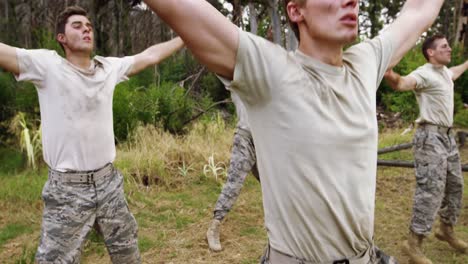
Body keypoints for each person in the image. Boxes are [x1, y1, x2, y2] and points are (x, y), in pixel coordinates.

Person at [142, 0, 444, 262]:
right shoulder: (270, 69)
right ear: (296, 11)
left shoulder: (365, 63)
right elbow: (179, 7)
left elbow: (419, 11)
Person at [0, 6, 184, 263]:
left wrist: (186, 36)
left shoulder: (108, 68)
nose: (86, 28)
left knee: (129, 255)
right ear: (61, 38)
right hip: (67, 191)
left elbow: (150, 56)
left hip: (109, 184)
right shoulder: (47, 66)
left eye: (88, 25)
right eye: (77, 25)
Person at [384, 34, 468, 263]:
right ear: (431, 52)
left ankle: (446, 230)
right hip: (429, 138)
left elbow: (457, 70)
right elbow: (402, 83)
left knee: (455, 186)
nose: (449, 48)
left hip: (448, 138)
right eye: (444, 46)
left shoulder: (445, 74)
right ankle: (413, 244)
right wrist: (389, 73)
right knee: (430, 189)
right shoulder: (424, 74)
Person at [206, 91, 260, 252]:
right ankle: (214, 227)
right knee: (234, 184)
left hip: (267, 139)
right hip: (245, 138)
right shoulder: (238, 79)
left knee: (276, 185)